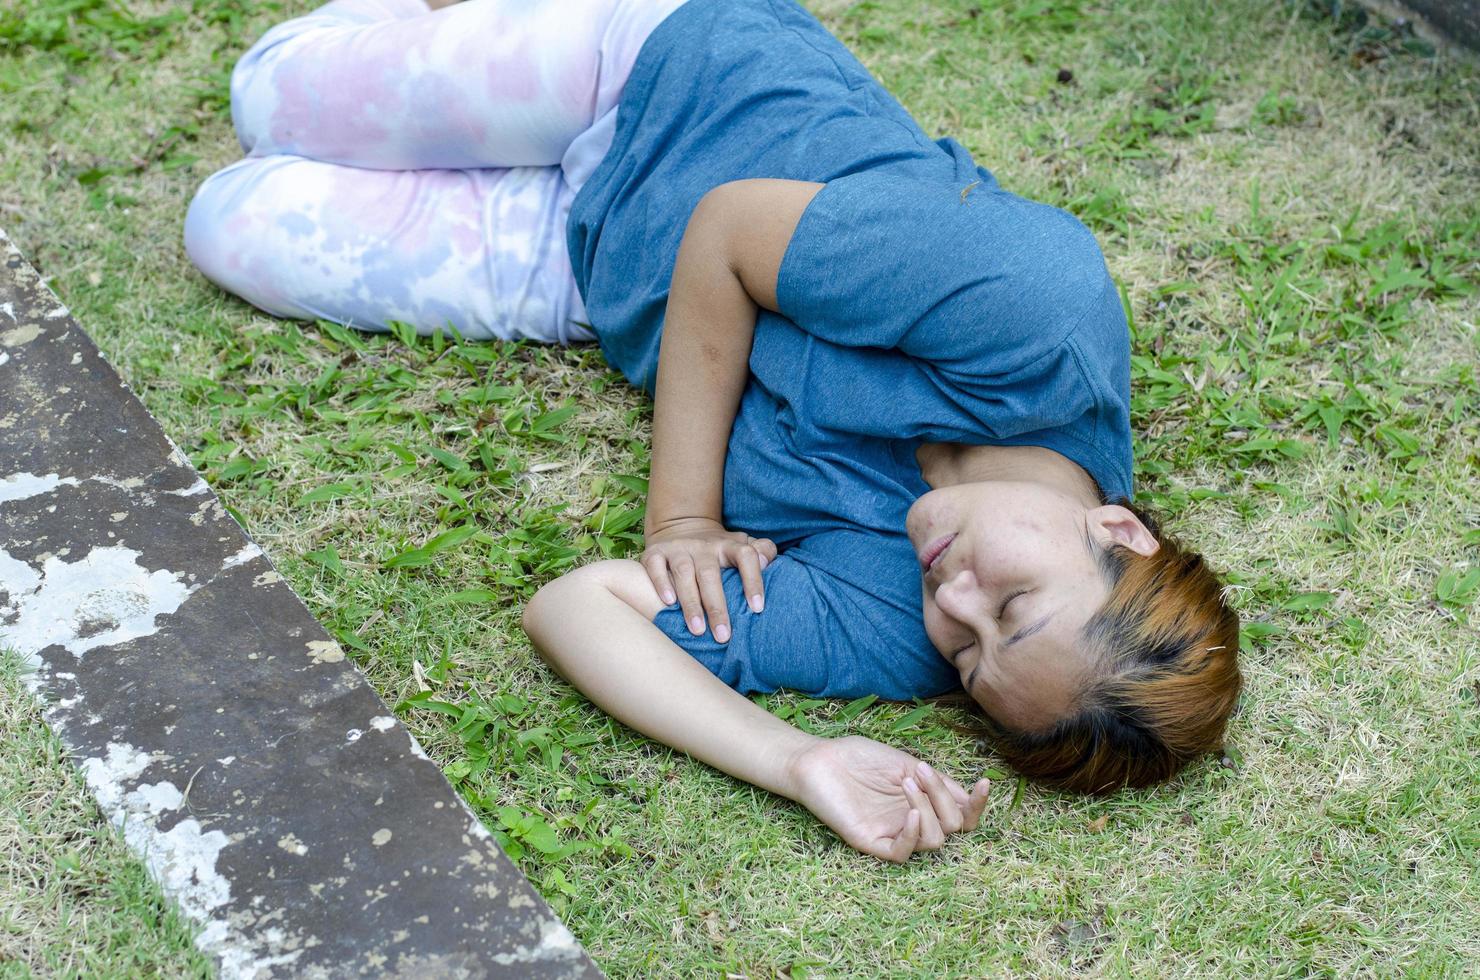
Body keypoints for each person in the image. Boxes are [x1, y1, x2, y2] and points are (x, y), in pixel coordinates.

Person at [185, 0, 1242, 862]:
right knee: (268, 94)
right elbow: (731, 228)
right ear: (1119, 529)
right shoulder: (1036, 311)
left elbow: (579, 610)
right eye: (1012, 599)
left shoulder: (909, 619)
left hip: (600, 275)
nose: (952, 599)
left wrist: (797, 760)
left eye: (969, 655)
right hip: (663, 79)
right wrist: (682, 516)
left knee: (230, 224)